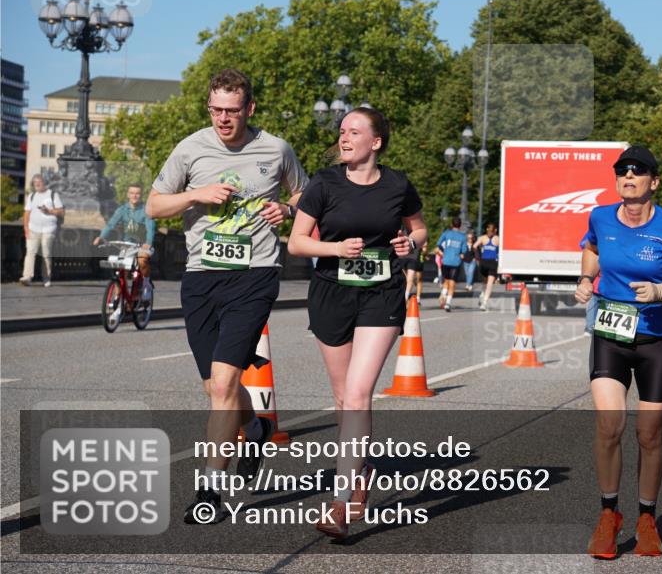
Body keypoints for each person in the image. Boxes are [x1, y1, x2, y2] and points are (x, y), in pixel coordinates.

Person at [147, 68, 309, 523]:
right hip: (201, 276)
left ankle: (208, 492)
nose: (223, 119)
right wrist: (195, 194)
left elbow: (307, 194)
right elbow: (154, 205)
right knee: (215, 387)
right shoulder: (191, 148)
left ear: (249, 109)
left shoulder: (276, 149)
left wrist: (288, 208)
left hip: (254, 275)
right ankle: (254, 427)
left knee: (222, 384)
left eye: (232, 111)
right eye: (216, 109)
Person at [288, 105, 426, 539]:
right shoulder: (323, 184)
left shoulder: (397, 184)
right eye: (342, 131)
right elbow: (296, 243)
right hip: (331, 293)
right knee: (344, 399)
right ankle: (361, 472)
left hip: (381, 292)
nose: (344, 138)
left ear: (376, 142)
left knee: (360, 392)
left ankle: (340, 503)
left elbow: (420, 230)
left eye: (354, 131)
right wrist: (334, 250)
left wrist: (409, 243)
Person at [574, 146, 662, 558]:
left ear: (654, 181)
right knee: (609, 426)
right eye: (622, 171)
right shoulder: (600, 217)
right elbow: (593, 250)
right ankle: (608, 514)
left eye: (638, 171)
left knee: (648, 435)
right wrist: (584, 279)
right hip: (611, 334)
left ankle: (647, 517)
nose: (628, 176)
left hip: (657, 339)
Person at [93, 182, 156, 301]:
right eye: (132, 193)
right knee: (121, 271)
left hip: (143, 245)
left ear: (141, 195)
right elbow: (111, 224)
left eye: (137, 193)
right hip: (128, 245)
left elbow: (150, 228)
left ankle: (147, 284)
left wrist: (148, 242)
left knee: (142, 260)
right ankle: (118, 299)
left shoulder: (146, 210)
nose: (134, 196)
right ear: (128, 194)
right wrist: (101, 236)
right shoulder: (122, 209)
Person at [20, 173, 64, 287]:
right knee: (30, 252)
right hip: (33, 228)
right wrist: (26, 228)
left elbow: (61, 211)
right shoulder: (32, 196)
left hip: (49, 229)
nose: (37, 185)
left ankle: (46, 278)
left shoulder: (53, 194)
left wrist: (49, 211)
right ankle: (27, 277)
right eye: (35, 183)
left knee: (46, 253)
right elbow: (27, 212)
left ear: (44, 183)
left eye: (39, 183)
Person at [435, 217, 467, 312]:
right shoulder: (462, 237)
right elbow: (464, 251)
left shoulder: (446, 233)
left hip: (446, 261)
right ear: (460, 225)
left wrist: (443, 252)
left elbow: (439, 243)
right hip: (456, 262)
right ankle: (448, 303)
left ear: (452, 224)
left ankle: (443, 294)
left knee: (446, 280)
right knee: (452, 283)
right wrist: (461, 254)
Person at [474, 222, 500, 311]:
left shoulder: (482, 238)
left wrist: (478, 257)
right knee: (489, 283)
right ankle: (484, 302)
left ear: (486, 229)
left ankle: (482, 293)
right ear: (495, 230)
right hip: (493, 262)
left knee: (485, 281)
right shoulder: (498, 239)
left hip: (483, 262)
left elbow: (474, 246)